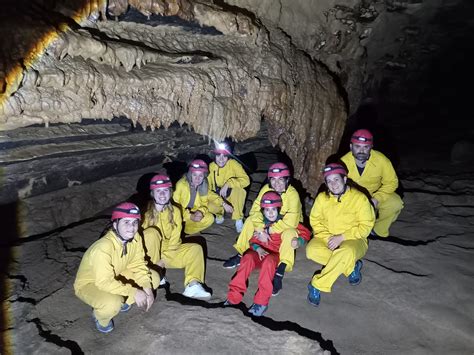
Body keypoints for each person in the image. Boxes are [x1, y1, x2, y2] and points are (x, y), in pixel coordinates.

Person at [74, 202, 158, 333]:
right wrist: (134, 292)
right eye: (126, 222)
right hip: (90, 283)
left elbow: (139, 264)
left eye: (135, 223)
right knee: (112, 303)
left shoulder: (135, 237)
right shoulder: (103, 248)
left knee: (154, 278)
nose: (131, 228)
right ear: (115, 224)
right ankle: (100, 318)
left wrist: (147, 289)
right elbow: (104, 282)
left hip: (116, 274)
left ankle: (124, 300)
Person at [223, 162, 304, 296]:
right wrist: (260, 229)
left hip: (286, 225)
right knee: (249, 221)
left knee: (291, 233)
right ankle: (241, 253)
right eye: (273, 179)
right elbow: (255, 210)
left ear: (287, 180)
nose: (277, 183)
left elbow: (291, 221)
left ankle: (280, 270)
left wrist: (268, 231)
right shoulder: (266, 189)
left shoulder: (292, 194)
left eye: (280, 179)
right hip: (268, 221)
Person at [225, 192, 311, 316]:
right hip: (259, 253)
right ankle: (233, 296)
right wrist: (258, 248)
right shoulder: (260, 223)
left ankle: (261, 302)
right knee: (248, 257)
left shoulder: (285, 222)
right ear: (263, 211)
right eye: (267, 210)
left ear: (279, 209)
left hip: (274, 256)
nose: (270, 213)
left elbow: (306, 232)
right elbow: (252, 240)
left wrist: (299, 240)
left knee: (269, 261)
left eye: (273, 209)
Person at [306, 163, 375, 307]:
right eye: (329, 181)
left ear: (344, 179)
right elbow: (315, 221)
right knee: (311, 250)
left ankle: (317, 285)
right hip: (327, 237)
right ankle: (351, 267)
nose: (333, 184)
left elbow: (366, 226)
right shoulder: (322, 198)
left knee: (346, 251)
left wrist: (342, 237)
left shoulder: (359, 199)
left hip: (354, 240)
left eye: (336, 179)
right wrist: (328, 238)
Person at [142, 174, 211, 299]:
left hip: (168, 254)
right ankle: (153, 275)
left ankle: (193, 285)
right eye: (158, 191)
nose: (162, 194)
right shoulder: (145, 213)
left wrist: (163, 261)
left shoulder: (175, 211)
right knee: (151, 234)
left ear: (170, 192)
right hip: (149, 256)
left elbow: (175, 241)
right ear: (153, 193)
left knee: (195, 249)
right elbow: (139, 242)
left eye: (165, 190)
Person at [341, 129, 404, 237]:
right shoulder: (343, 162)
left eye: (365, 147)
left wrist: (376, 199)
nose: (361, 150)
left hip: (375, 194)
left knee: (396, 203)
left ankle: (377, 231)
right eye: (357, 146)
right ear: (351, 147)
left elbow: (392, 182)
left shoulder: (382, 160)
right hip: (353, 198)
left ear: (371, 147)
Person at [173, 159, 232, 234]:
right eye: (194, 175)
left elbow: (210, 196)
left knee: (209, 218)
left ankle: (186, 232)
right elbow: (174, 207)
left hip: (192, 213)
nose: (197, 179)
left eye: (200, 175)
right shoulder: (181, 185)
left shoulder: (203, 185)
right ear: (190, 174)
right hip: (178, 216)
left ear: (204, 176)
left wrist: (223, 203)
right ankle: (177, 230)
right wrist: (190, 216)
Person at [208, 142, 250, 232]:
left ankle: (238, 218)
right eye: (218, 155)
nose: (221, 159)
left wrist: (229, 183)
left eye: (225, 156)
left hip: (232, 194)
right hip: (218, 195)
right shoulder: (211, 167)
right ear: (214, 156)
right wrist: (222, 202)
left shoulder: (234, 164)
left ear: (228, 157)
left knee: (240, 191)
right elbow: (208, 190)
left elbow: (246, 181)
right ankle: (219, 214)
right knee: (208, 204)